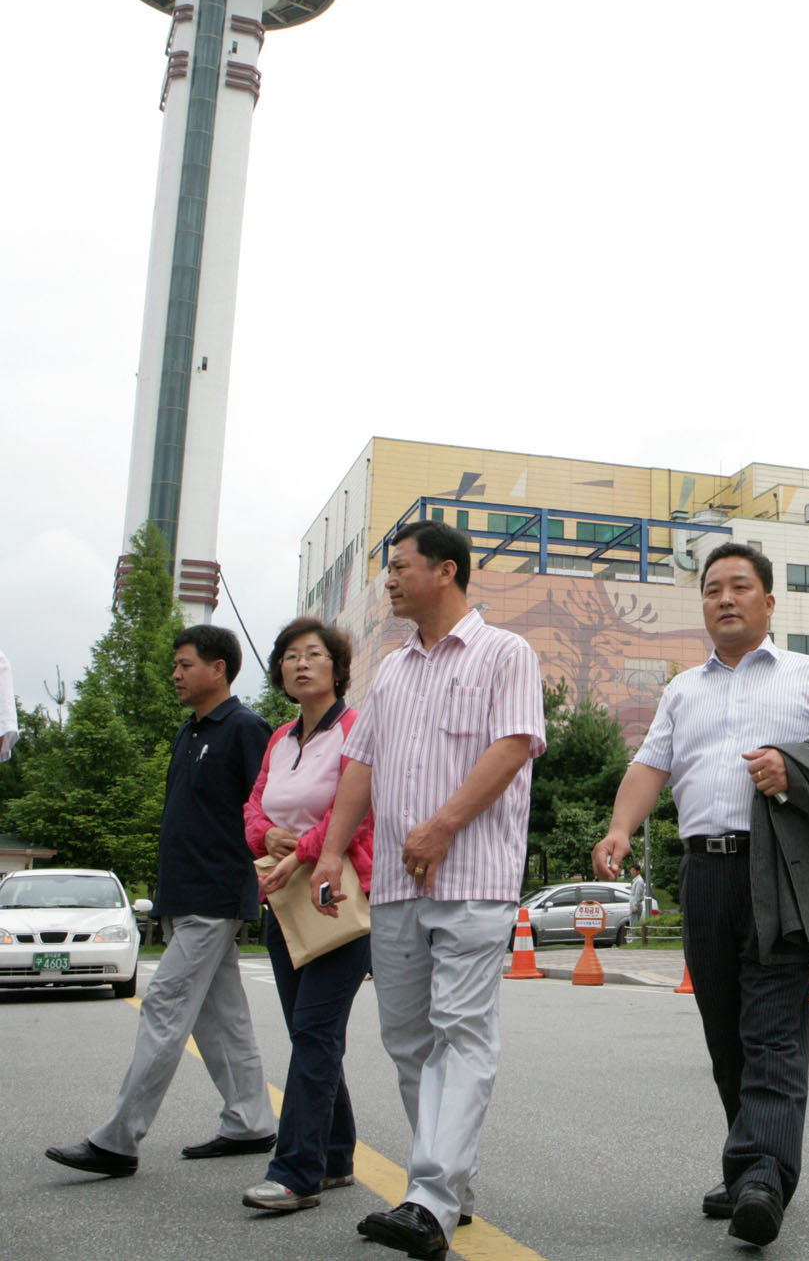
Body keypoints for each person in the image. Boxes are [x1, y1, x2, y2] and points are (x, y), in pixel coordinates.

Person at [592, 543, 809, 1248]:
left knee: (772, 1028)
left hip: (781, 869)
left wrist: (792, 768)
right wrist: (620, 828)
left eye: (739, 586)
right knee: (724, 1031)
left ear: (768, 601)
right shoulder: (684, 689)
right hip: (705, 872)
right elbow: (650, 764)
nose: (724, 598)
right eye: (712, 588)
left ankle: (763, 1176)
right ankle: (750, 1162)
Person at [309, 521, 545, 1260]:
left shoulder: (505, 652)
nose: (389, 579)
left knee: (461, 1030)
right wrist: (331, 853)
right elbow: (361, 765)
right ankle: (451, 1183)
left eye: (401, 566)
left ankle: (431, 1197)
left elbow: (513, 746)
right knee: (407, 1038)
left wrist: (443, 826)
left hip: (473, 880)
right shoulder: (391, 670)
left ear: (446, 571)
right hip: (394, 886)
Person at [46, 626, 275, 1177]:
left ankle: (118, 1140)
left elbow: (267, 810)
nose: (175, 674)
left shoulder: (246, 728)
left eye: (184, 664)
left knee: (165, 1005)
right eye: (175, 665)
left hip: (215, 895)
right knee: (221, 1019)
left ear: (218, 669)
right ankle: (250, 1121)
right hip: (183, 895)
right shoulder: (187, 731)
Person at [242, 617, 374, 1211]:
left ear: (337, 668)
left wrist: (302, 851)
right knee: (309, 1033)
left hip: (337, 894)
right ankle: (337, 1156)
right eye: (290, 656)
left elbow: (360, 809)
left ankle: (297, 1171)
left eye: (313, 654)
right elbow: (253, 807)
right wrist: (267, 835)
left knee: (316, 1032)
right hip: (284, 899)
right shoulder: (278, 738)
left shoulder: (356, 729)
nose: (300, 663)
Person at [628, 864, 646, 931]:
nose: (631, 872)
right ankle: (633, 936)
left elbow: (637, 894)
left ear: (638, 871)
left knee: (634, 925)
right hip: (634, 904)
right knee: (632, 924)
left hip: (636, 905)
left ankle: (634, 937)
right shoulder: (636, 880)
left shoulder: (639, 881)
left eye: (633, 870)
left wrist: (635, 906)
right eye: (631, 870)